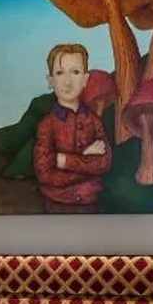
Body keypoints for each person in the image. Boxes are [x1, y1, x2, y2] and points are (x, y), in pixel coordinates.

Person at [33, 43, 112, 213]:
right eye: (60, 73)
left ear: (85, 80)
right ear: (51, 81)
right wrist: (85, 159)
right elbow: (44, 174)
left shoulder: (94, 122)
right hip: (56, 203)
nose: (67, 81)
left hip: (92, 204)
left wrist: (64, 161)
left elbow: (104, 163)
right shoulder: (47, 125)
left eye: (75, 72)